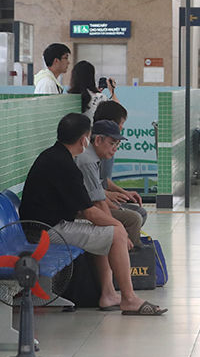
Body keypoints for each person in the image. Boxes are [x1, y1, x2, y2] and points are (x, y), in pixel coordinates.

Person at [18, 113, 166, 315]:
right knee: (115, 234)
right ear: (83, 140)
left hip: (41, 226)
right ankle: (129, 299)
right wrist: (118, 227)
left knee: (105, 231)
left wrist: (110, 224)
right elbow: (90, 212)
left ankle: (109, 294)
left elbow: (83, 208)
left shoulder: (53, 156)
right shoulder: (65, 165)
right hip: (44, 232)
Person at [74, 120, 145, 248]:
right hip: (79, 212)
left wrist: (118, 207)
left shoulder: (93, 157)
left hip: (89, 207)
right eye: (112, 143)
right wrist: (119, 231)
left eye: (117, 144)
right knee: (134, 219)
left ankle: (126, 249)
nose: (115, 149)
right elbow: (98, 202)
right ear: (97, 140)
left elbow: (99, 194)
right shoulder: (87, 161)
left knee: (135, 214)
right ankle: (128, 253)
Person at [93, 101, 146, 225]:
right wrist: (109, 197)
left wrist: (123, 193)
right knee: (135, 217)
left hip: (100, 199)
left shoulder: (103, 149)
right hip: (95, 203)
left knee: (138, 214)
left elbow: (102, 180)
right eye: (122, 123)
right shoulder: (92, 155)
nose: (114, 148)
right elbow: (90, 190)